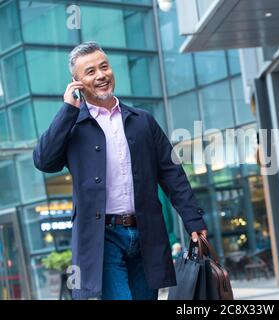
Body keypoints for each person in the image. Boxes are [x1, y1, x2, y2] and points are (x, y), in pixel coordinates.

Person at [33, 41, 207, 300]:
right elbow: (44, 161)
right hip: (104, 238)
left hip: (146, 232)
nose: (101, 75)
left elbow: (171, 172)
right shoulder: (73, 126)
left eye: (104, 67)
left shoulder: (142, 121)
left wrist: (193, 219)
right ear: (77, 82)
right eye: (90, 71)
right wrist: (68, 110)